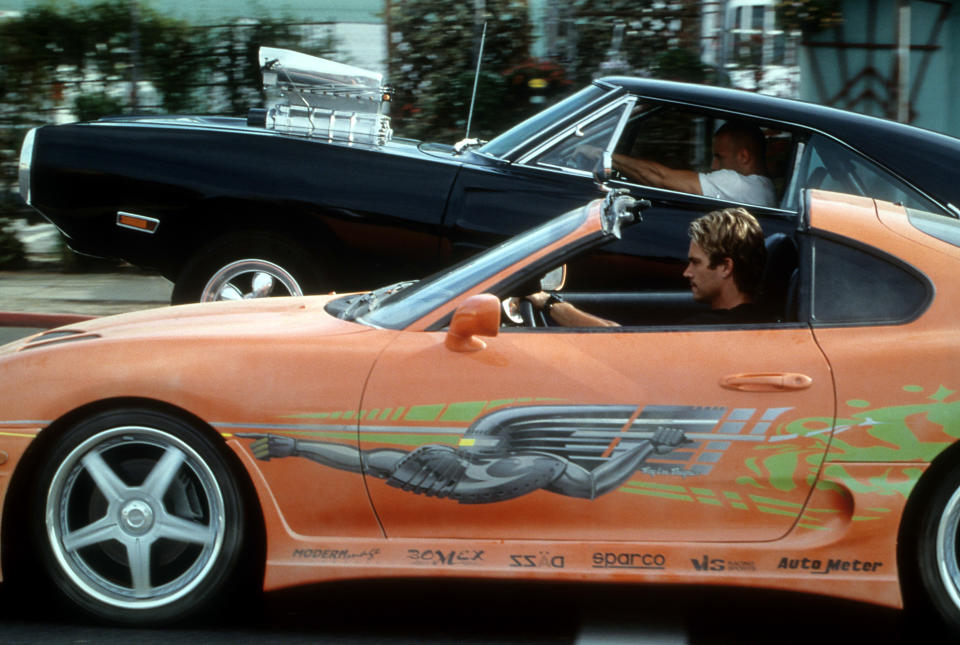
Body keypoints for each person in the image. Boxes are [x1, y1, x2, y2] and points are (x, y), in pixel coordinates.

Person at [526, 207, 768, 326]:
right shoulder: (758, 321)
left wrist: (547, 303)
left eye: (695, 262)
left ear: (726, 267)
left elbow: (621, 343)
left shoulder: (710, 330)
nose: (687, 272)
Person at [613, 121, 777, 208]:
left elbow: (660, 178)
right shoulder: (764, 187)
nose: (713, 165)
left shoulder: (738, 185)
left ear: (743, 157)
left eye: (719, 157)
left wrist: (608, 158)